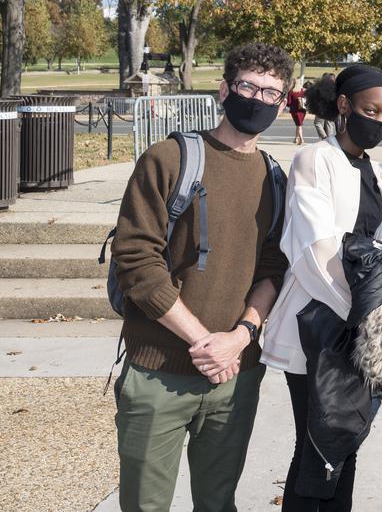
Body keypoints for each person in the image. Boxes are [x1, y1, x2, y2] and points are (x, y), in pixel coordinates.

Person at [111, 42, 293, 512]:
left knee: (218, 503)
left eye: (271, 92)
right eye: (248, 85)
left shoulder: (275, 178)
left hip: (236, 373)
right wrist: (204, 342)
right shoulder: (169, 158)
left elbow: (274, 269)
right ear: (224, 89)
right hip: (160, 372)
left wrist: (240, 336)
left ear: (283, 102)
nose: (257, 98)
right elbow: (137, 260)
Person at [261, 64, 382, 511]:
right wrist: (374, 322)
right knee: (315, 449)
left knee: (346, 446)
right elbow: (316, 252)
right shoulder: (314, 161)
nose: (380, 121)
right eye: (370, 111)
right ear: (344, 106)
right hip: (316, 331)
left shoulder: (377, 174)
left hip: (365, 335)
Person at [311, 72, 336, 141]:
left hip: (322, 107)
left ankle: (325, 137)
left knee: (317, 122)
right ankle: (329, 138)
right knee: (328, 123)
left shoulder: (321, 86)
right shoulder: (335, 86)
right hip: (331, 107)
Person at [288, 79, 308, 145]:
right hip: (302, 110)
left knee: (299, 125)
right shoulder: (303, 91)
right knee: (298, 124)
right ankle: (296, 138)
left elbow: (289, 102)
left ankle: (301, 139)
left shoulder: (291, 92)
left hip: (295, 111)